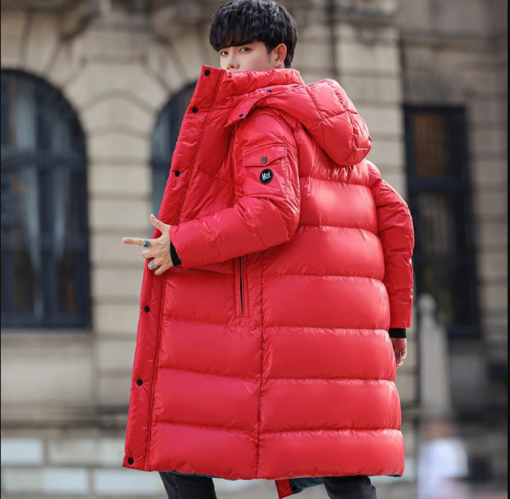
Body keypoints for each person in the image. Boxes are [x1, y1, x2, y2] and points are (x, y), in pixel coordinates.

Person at [121, 1, 414, 498]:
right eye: (224, 52)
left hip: (274, 328)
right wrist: (396, 324)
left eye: (244, 50)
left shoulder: (261, 118)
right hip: (336, 334)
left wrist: (180, 246)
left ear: (278, 54)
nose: (231, 64)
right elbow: (396, 218)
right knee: (338, 460)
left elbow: (272, 214)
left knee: (177, 442)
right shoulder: (329, 129)